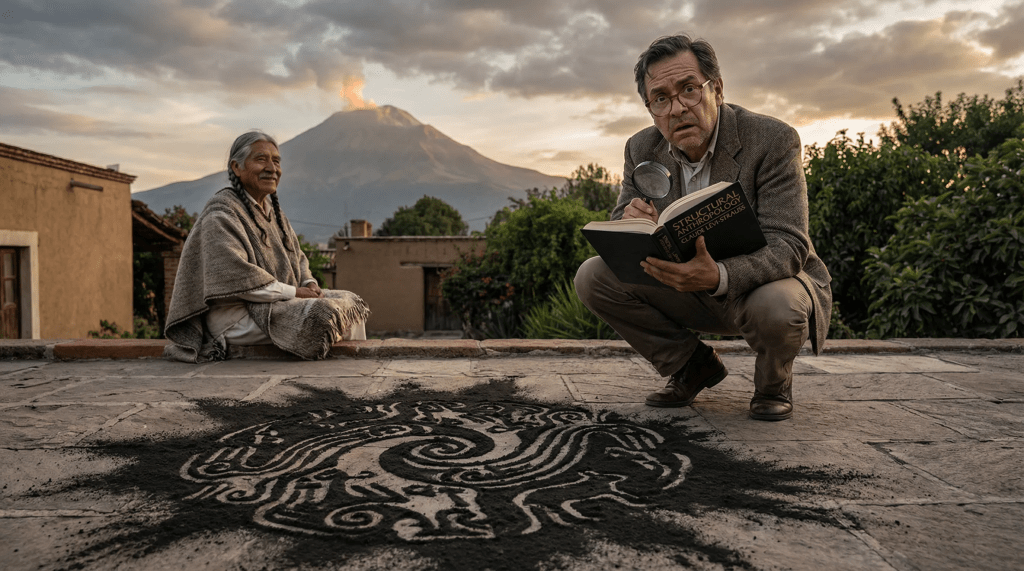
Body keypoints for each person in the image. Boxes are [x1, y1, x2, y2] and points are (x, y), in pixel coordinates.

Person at [575, 34, 832, 421]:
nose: (677, 108)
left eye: (689, 90)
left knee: (779, 305)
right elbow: (619, 231)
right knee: (593, 275)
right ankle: (692, 365)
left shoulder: (772, 139)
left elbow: (789, 245)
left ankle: (772, 384)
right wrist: (629, 223)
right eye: (660, 98)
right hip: (681, 287)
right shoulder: (640, 149)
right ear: (651, 109)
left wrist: (719, 275)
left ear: (717, 89)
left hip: (756, 289)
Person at [164, 131, 369, 362]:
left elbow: (298, 257)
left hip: (276, 304)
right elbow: (236, 278)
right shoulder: (221, 214)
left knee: (351, 306)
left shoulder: (273, 212)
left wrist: (309, 282)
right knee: (326, 316)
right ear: (236, 167)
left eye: (276, 161)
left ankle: (353, 378)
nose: (272, 168)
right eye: (261, 159)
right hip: (236, 316)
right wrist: (297, 292)